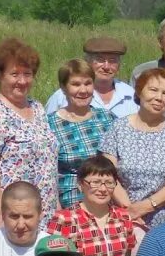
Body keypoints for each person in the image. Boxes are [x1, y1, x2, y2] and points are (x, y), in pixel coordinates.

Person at [0, 37, 60, 227]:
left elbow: (47, 163)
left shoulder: (37, 107)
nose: (22, 81)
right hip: (14, 220)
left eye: (27, 74)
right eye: (14, 74)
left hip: (45, 216)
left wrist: (58, 208)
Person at [100, 68, 165, 230]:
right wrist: (131, 211)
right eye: (153, 90)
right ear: (139, 91)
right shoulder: (117, 128)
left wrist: (148, 205)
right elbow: (107, 175)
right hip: (123, 216)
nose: (159, 98)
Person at [48, 59, 116, 210]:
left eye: (88, 83)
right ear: (63, 88)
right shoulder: (50, 124)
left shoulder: (107, 118)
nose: (83, 90)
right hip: (70, 204)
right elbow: (48, 173)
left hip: (108, 201)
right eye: (76, 84)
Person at [44, 36, 137, 118]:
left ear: (119, 65)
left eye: (112, 61)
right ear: (87, 62)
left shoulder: (130, 94)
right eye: (100, 60)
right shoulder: (62, 96)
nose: (106, 67)